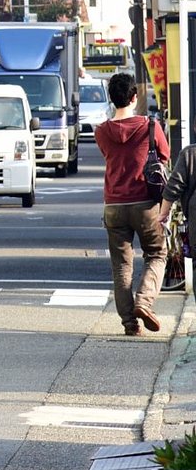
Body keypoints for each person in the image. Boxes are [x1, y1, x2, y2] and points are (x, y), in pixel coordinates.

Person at [94, 72, 172, 336]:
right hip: (146, 203)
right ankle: (144, 302)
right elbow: (164, 155)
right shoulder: (149, 126)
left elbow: (108, 154)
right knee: (157, 253)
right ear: (135, 97)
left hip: (114, 204)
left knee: (121, 265)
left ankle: (130, 324)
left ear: (111, 98)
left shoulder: (102, 131)